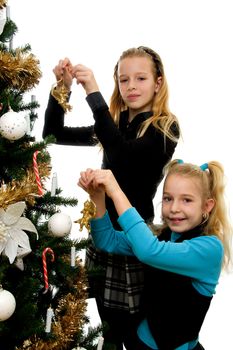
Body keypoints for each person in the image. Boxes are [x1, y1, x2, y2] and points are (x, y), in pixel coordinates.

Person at [42, 46, 180, 349]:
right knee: (109, 331)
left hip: (133, 240)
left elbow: (121, 156)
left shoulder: (164, 128)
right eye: (123, 80)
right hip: (102, 233)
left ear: (158, 83)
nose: (131, 86)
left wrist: (93, 92)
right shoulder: (114, 125)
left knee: (133, 334)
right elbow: (52, 132)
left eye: (140, 78)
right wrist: (61, 88)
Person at [78, 160, 233, 350]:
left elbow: (149, 251)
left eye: (187, 200)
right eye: (168, 198)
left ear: (207, 206)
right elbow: (107, 240)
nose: (174, 208)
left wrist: (116, 192)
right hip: (140, 341)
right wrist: (98, 198)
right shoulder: (160, 235)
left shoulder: (209, 249)